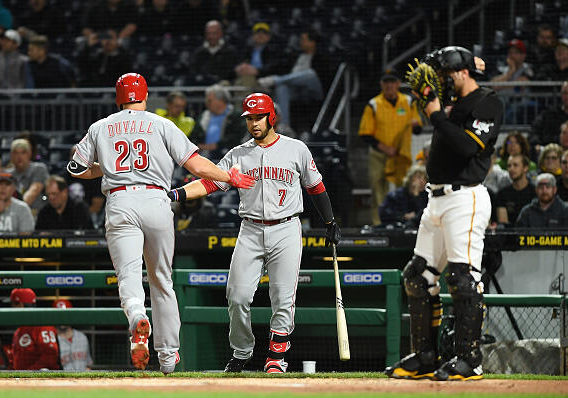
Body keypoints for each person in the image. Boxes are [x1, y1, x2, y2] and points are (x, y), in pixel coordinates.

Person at [67, 72, 255, 374]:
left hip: (120, 201)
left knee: (128, 274)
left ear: (118, 97)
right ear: (145, 95)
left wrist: (111, 169)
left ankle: (137, 316)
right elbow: (195, 165)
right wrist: (228, 176)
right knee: (162, 280)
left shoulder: (100, 127)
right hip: (156, 200)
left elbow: (76, 168)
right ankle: (167, 358)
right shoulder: (162, 123)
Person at [168, 93, 341, 373]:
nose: (253, 123)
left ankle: (277, 357)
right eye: (249, 118)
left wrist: (330, 222)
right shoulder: (238, 154)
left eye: (258, 117)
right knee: (236, 296)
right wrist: (176, 194)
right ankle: (242, 351)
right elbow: (209, 183)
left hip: (286, 227)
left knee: (283, 297)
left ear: (271, 117)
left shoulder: (296, 149)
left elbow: (315, 187)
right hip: (250, 229)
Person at [385, 46, 503, 381]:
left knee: (463, 279)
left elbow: (469, 146)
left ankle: (470, 360)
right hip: (435, 200)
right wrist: (437, 107)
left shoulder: (488, 102)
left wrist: (437, 114)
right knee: (417, 277)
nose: (440, 82)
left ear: (463, 73)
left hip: (465, 198)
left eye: (445, 75)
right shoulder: (453, 103)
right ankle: (425, 357)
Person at [357, 69, 422, 226]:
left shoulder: (408, 101)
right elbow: (365, 134)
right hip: (379, 154)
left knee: (406, 187)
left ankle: (406, 222)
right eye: (386, 82)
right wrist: (385, 148)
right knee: (378, 188)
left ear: (398, 84)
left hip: (401, 155)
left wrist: (415, 125)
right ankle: (379, 223)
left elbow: (418, 129)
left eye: (392, 82)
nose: (389, 86)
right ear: (381, 84)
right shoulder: (374, 104)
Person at [257, 28, 333, 131]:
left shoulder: (322, 57)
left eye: (303, 40)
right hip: (295, 90)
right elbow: (280, 66)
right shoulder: (296, 55)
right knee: (282, 87)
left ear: (312, 42)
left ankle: (275, 80)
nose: (301, 42)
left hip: (313, 90)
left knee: (310, 74)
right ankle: (284, 125)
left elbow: (322, 78)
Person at [10, 288, 60, 370]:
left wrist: (27, 374)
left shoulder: (42, 326)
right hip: (21, 380)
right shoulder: (19, 330)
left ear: (20, 305)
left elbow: (50, 358)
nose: (11, 309)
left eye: (13, 305)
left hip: (40, 380)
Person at [234, 22, 286, 93]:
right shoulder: (247, 50)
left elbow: (275, 68)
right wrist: (238, 68)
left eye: (264, 33)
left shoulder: (274, 50)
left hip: (265, 79)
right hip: (245, 76)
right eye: (257, 33)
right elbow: (239, 63)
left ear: (269, 36)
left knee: (247, 81)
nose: (260, 35)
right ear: (253, 36)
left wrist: (257, 71)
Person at [191, 84, 245, 152]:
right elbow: (194, 136)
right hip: (204, 156)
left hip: (229, 155)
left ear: (221, 100)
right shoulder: (204, 116)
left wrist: (218, 146)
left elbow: (238, 136)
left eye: (209, 100)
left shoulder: (236, 116)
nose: (206, 103)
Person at [6, 138, 49, 214]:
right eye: (16, 153)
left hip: (34, 213)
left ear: (29, 154)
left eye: (23, 152)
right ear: (11, 156)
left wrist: (14, 213)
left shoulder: (39, 169)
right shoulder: (7, 174)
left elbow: (33, 192)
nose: (19, 157)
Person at [189, 20, 237, 84]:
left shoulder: (230, 51)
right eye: (208, 33)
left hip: (224, 86)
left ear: (221, 34)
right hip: (203, 85)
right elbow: (193, 71)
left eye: (214, 33)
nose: (211, 36)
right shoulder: (198, 52)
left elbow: (232, 72)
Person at [494, 154, 536, 227]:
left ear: (525, 168)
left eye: (515, 165)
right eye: (509, 166)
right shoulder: (502, 194)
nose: (511, 169)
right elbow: (503, 224)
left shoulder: (535, 192)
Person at [52, 299, 93, 371]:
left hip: (83, 380)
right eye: (59, 315)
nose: (62, 318)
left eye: (65, 315)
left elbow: (88, 365)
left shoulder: (82, 337)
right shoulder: (52, 340)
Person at [530, 80, 568, 153]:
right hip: (549, 153)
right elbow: (534, 130)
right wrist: (537, 144)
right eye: (565, 93)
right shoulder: (549, 114)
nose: (567, 96)